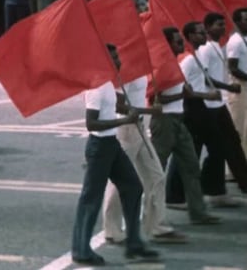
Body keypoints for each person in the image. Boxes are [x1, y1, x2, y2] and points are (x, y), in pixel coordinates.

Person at [71, 44, 159, 266]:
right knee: (91, 198)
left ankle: (134, 243)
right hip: (99, 146)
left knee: (133, 187)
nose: (119, 62)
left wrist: (141, 111)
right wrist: (124, 120)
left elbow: (120, 106)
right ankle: (81, 250)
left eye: (117, 57)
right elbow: (91, 123)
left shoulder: (109, 84)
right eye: (113, 58)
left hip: (111, 144)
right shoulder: (96, 87)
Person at [103, 75, 187, 244]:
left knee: (156, 176)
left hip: (139, 127)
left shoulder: (141, 68)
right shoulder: (125, 72)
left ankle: (157, 226)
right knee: (120, 180)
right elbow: (117, 105)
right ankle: (111, 229)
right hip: (127, 129)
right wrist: (149, 111)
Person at [149, 26, 221, 224]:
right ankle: (153, 217)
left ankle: (198, 213)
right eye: (178, 41)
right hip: (164, 122)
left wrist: (203, 94)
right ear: (168, 44)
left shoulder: (176, 63)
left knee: (191, 166)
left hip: (179, 119)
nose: (182, 44)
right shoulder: (163, 66)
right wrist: (183, 94)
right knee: (157, 170)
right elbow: (157, 98)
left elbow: (187, 92)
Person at [227, 8, 247, 155]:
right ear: (237, 22)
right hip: (241, 86)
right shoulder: (235, 41)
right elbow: (233, 68)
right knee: (240, 125)